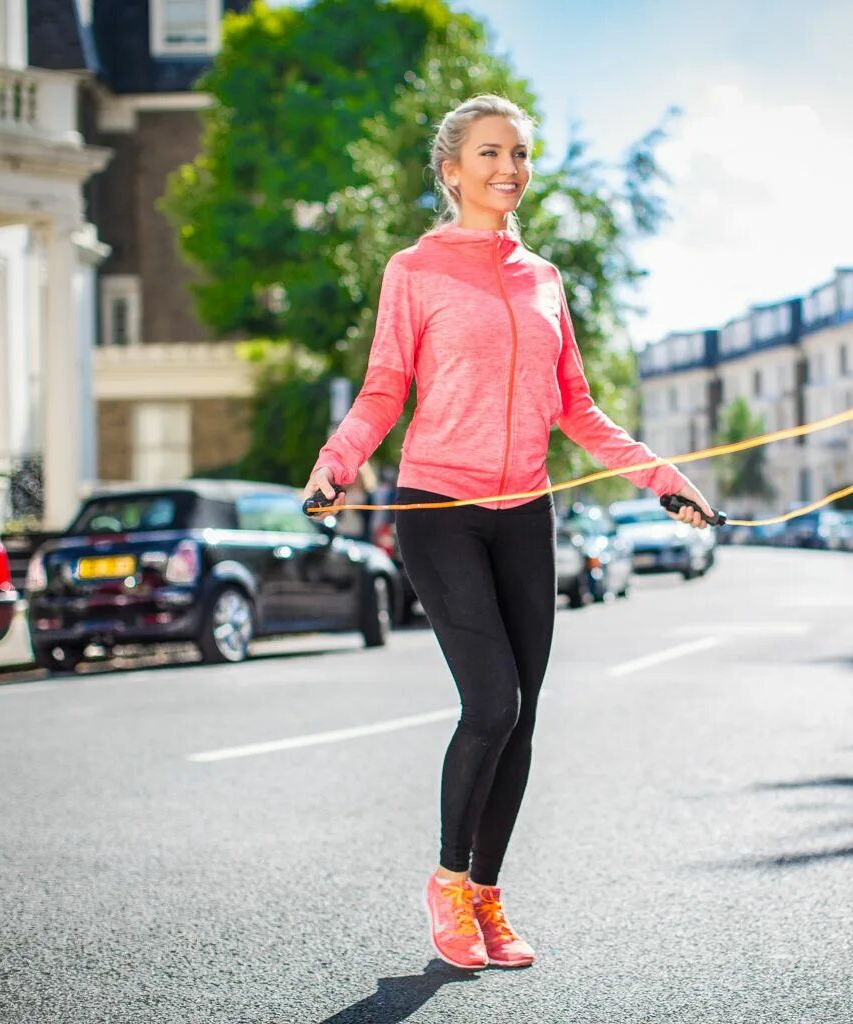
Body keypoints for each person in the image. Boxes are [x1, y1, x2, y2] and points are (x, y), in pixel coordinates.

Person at [303, 94, 715, 972]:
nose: (510, 168)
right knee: (491, 702)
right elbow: (384, 391)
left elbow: (578, 409)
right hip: (439, 509)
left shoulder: (544, 279)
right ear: (452, 170)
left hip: (526, 511)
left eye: (521, 154)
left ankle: (489, 897)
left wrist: (662, 481)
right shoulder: (414, 271)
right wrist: (337, 465)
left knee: (523, 721)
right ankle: (448, 884)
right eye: (491, 153)